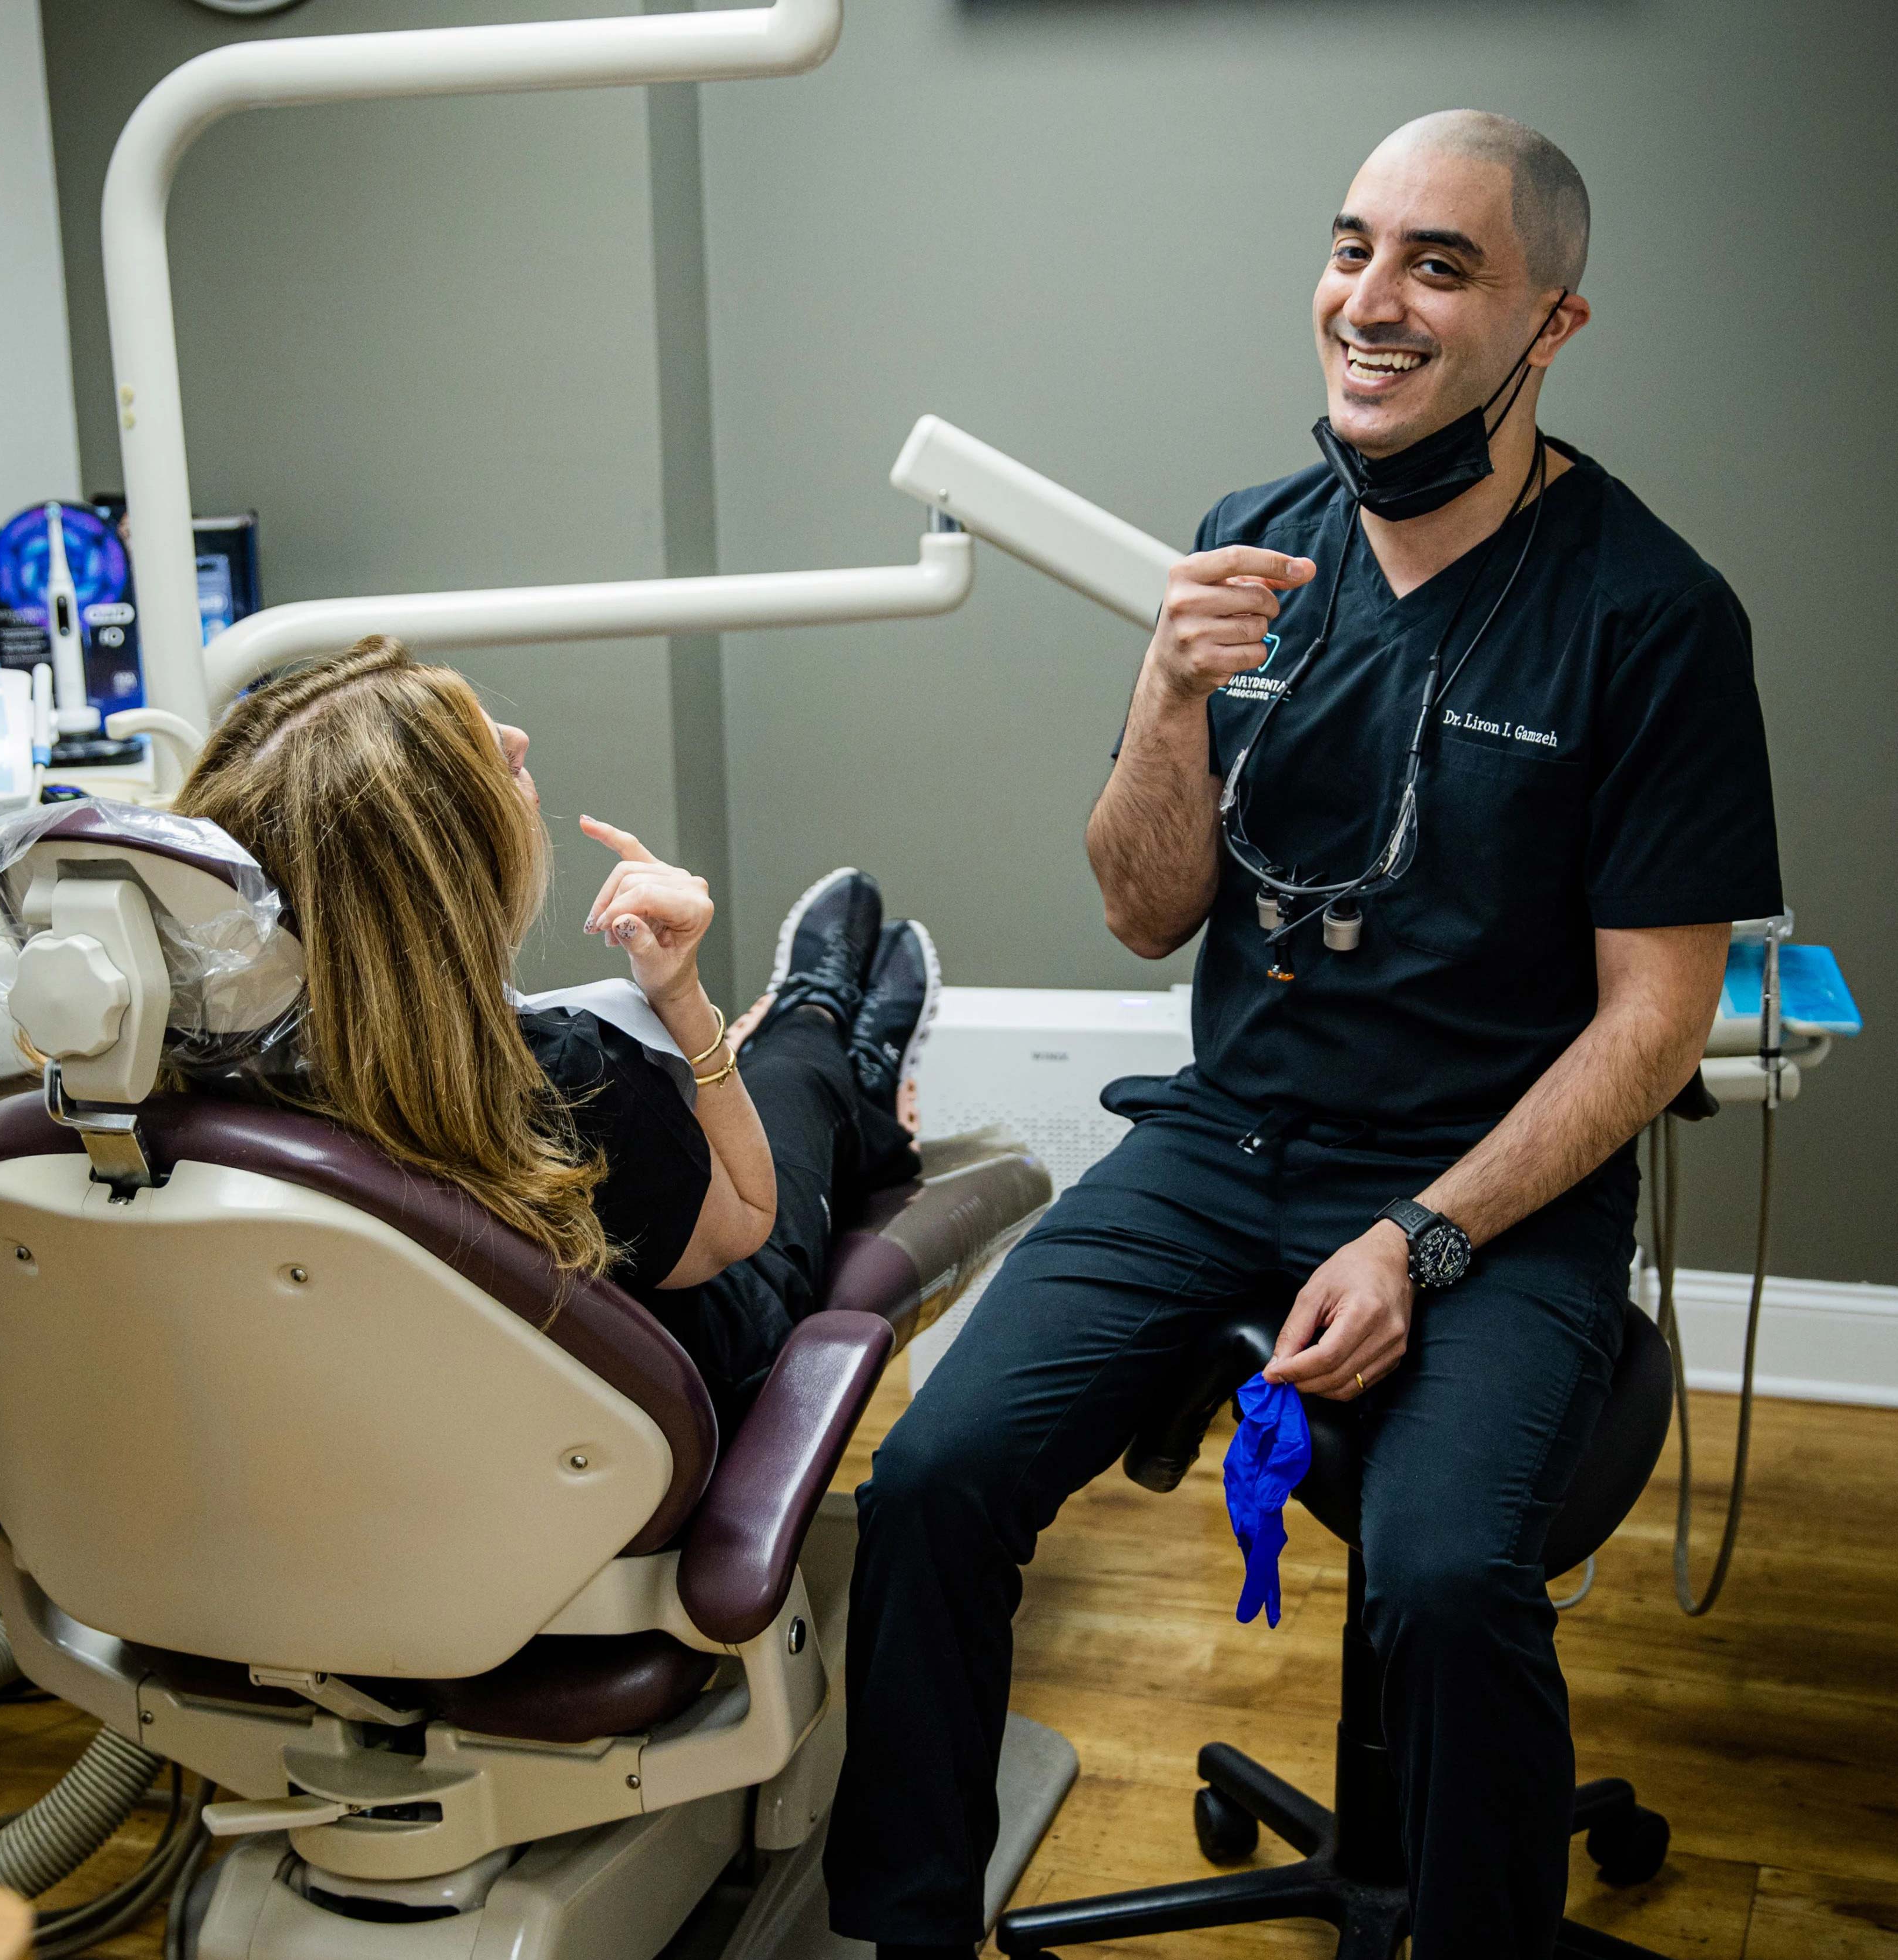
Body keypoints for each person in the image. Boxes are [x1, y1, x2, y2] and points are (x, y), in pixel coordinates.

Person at [826, 112, 1780, 1959]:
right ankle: (906, 1930)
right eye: (1352, 247)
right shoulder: (1245, 549)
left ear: (1549, 325)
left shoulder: (1650, 618)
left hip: (1481, 1200)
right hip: (1224, 1136)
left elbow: (1655, 1020)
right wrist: (1166, 693)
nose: (1372, 297)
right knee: (931, 1483)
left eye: (1440, 262)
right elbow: (1139, 905)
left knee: (1437, 1574)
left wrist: (1422, 1234)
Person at [172, 636, 938, 1425]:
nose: (516, 739)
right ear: (440, 861)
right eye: (482, 753)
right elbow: (745, 1217)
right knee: (794, 1083)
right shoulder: (572, 1083)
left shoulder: (195, 1087)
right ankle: (832, 1039)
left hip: (381, 1445)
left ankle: (811, 1040)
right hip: (656, 1393)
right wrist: (681, 1000)